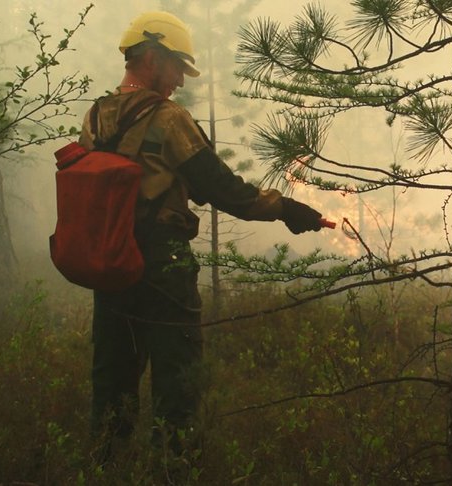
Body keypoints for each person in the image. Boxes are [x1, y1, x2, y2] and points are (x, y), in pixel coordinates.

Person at [80, 11, 324, 467]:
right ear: (151, 59)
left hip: (109, 259)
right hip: (160, 262)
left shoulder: (95, 116)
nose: (178, 81)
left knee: (112, 377)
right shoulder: (168, 117)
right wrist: (285, 209)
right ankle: (175, 471)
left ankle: (105, 467)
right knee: (179, 378)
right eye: (176, 68)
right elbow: (222, 189)